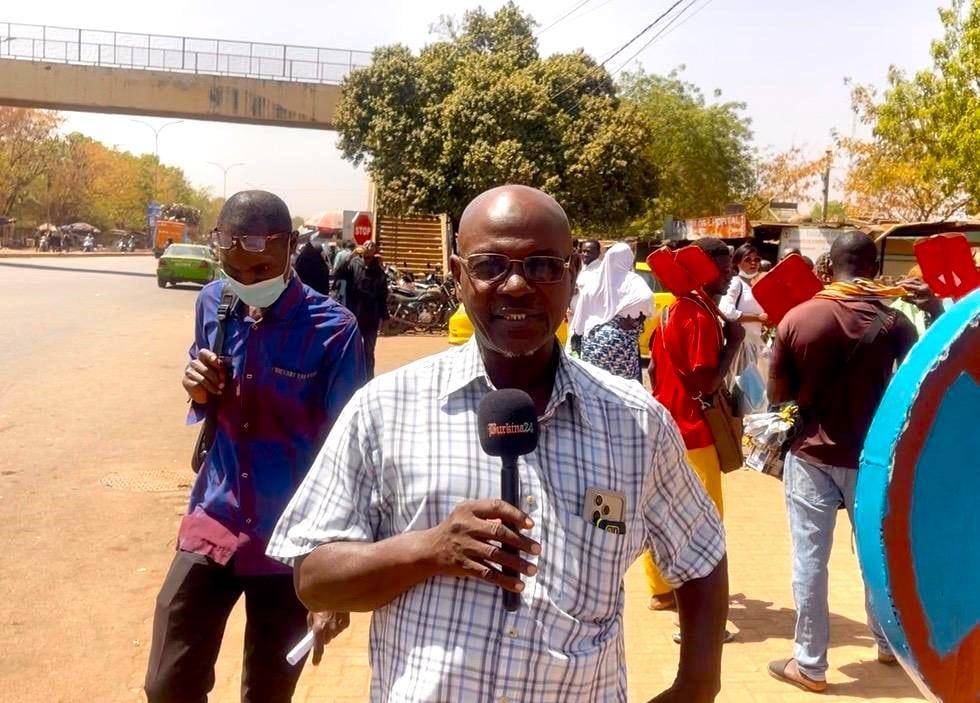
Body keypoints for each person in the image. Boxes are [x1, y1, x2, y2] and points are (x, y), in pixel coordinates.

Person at [267, 185, 729, 703]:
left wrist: (697, 684)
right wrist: (429, 549)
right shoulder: (384, 408)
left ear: (573, 274)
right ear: (457, 274)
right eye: (490, 265)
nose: (516, 286)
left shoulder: (637, 423)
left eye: (542, 266)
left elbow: (701, 555)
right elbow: (315, 577)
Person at [144, 191, 366, 703]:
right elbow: (204, 390)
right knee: (168, 683)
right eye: (234, 270)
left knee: (267, 692)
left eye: (261, 268)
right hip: (214, 518)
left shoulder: (334, 331)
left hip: (291, 541)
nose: (247, 282)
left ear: (291, 248)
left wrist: (335, 575)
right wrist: (197, 386)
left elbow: (351, 455)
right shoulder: (212, 303)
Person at [767, 231, 917, 693]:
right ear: (875, 269)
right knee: (877, 554)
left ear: (828, 268)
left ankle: (810, 665)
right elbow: (917, 385)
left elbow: (777, 396)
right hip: (872, 459)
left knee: (810, 559)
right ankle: (891, 645)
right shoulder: (894, 323)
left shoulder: (798, 318)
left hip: (810, 455)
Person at [642, 237, 743, 615]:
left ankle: (660, 590)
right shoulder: (699, 316)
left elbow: (654, 370)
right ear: (703, 269)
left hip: (664, 424)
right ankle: (695, 597)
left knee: (660, 508)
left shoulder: (671, 311)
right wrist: (733, 344)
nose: (730, 275)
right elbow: (706, 383)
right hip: (695, 432)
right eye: (725, 268)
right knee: (703, 517)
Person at [570, 241, 653, 381]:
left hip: (593, 344)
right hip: (620, 345)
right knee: (621, 390)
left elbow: (579, 321)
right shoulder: (632, 280)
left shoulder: (593, 283)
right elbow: (647, 298)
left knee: (595, 386)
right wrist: (633, 318)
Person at [720, 243, 770, 413]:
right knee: (740, 387)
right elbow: (726, 311)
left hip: (755, 343)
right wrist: (757, 318)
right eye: (748, 259)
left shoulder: (759, 284)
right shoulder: (736, 283)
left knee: (755, 390)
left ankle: (747, 421)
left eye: (757, 259)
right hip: (740, 344)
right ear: (737, 262)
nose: (753, 263)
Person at [332, 239, 389, 379]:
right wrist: (350, 256)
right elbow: (339, 274)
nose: (369, 247)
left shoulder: (378, 270)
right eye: (366, 246)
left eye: (372, 247)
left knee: (369, 352)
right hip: (354, 314)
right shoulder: (354, 263)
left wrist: (385, 317)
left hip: (371, 316)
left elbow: (382, 295)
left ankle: (369, 380)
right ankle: (352, 380)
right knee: (352, 351)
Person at [567, 238, 603, 355]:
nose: (585, 254)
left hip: (587, 321)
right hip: (574, 316)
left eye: (589, 251)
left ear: (598, 253)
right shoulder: (583, 268)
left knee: (577, 352)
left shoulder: (600, 271)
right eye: (583, 251)